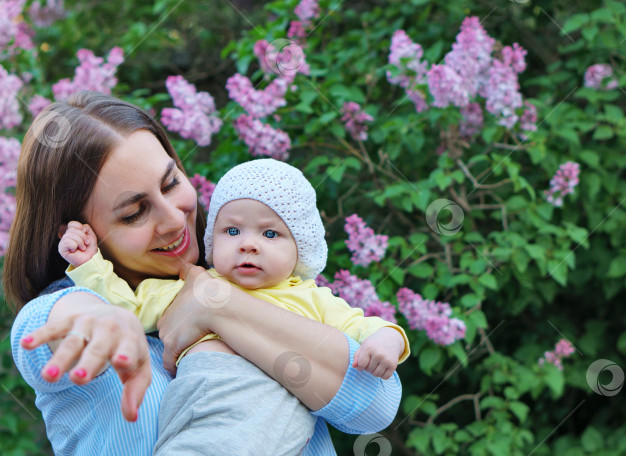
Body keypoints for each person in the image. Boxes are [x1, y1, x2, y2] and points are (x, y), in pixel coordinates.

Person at [5, 91, 403, 455]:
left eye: (171, 183)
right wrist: (99, 316)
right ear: (78, 232)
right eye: (134, 213)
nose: (174, 219)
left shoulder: (248, 281)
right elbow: (41, 330)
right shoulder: (91, 317)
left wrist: (215, 304)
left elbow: (376, 403)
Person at [58, 158, 411, 455]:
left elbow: (361, 327)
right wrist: (90, 264)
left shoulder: (312, 297)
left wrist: (387, 341)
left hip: (271, 409)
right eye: (232, 231)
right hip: (200, 404)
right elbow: (127, 305)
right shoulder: (190, 287)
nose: (248, 245)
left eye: (270, 234)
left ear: (299, 249)